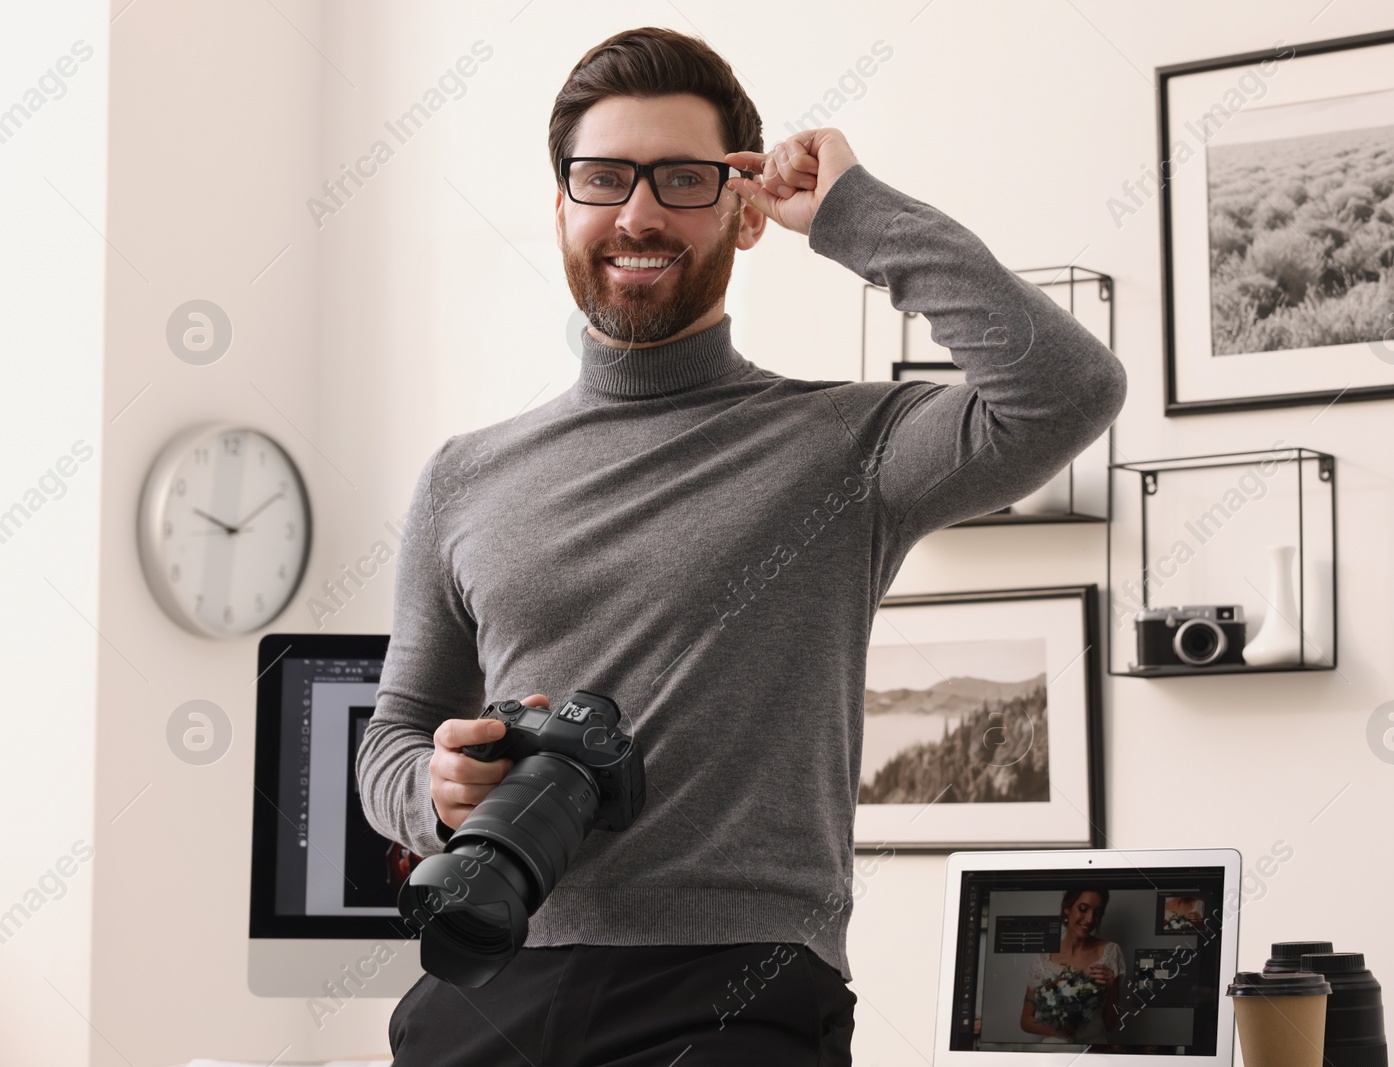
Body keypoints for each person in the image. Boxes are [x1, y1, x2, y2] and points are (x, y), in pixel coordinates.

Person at [357, 25, 1126, 1067]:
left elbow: (1067, 389)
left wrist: (855, 212)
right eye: (603, 178)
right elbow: (393, 734)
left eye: (681, 178)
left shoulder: (847, 446)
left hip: (737, 985)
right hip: (491, 968)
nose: (637, 213)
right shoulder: (464, 473)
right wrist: (436, 790)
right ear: (560, 206)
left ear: (744, 210)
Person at [1019, 888, 1125, 1044]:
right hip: (1054, 1051)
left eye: (1097, 913)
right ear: (1067, 908)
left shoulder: (1110, 953)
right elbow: (1026, 1020)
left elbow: (1111, 1025)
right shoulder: (1042, 959)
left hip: (1094, 1049)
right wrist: (1058, 1030)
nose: (1089, 919)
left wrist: (1113, 989)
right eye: (1083, 909)